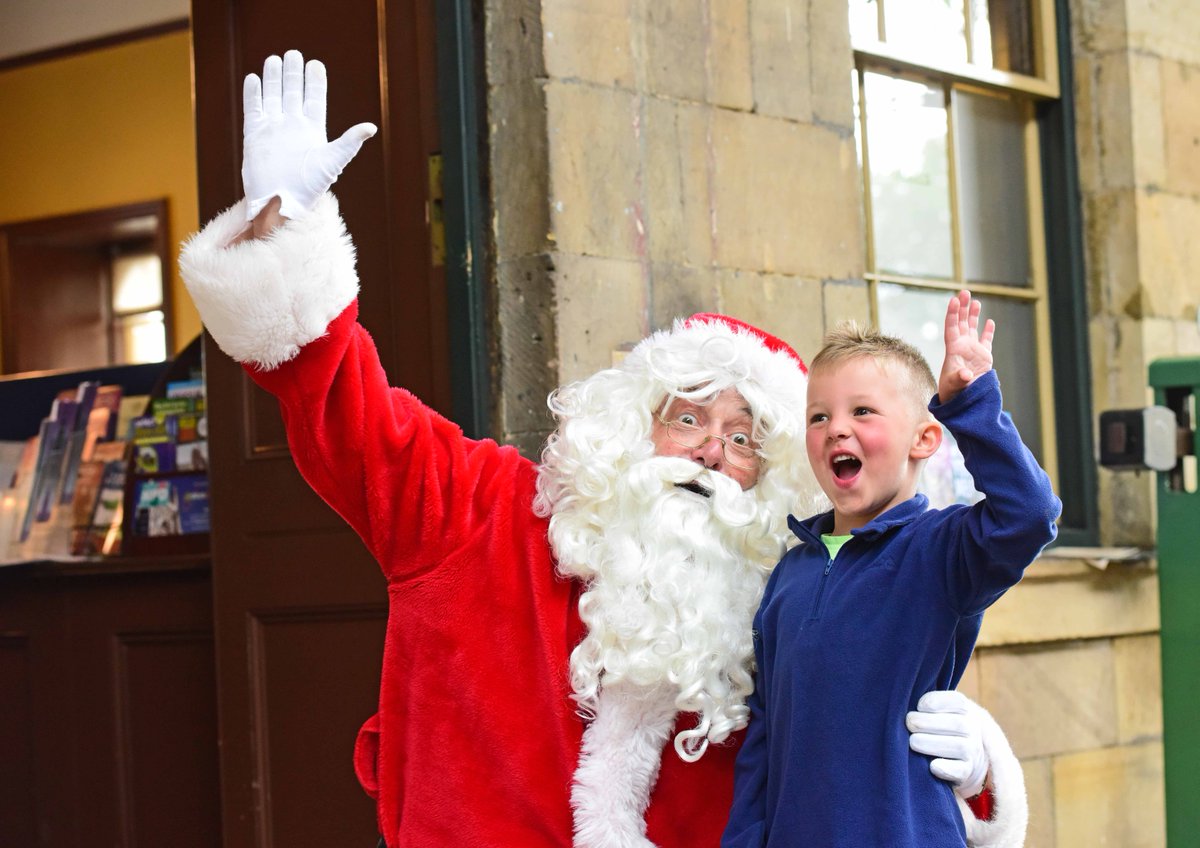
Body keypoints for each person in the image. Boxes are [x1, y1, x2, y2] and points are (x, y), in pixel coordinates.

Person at [180, 50, 1029, 848]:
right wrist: (282, 229)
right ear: (632, 423)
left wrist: (979, 768)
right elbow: (346, 414)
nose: (709, 453)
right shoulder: (480, 513)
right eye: (688, 418)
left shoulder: (784, 600)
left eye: (744, 439)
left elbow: (856, 756)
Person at [723, 299, 1061, 847]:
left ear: (924, 440)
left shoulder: (941, 550)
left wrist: (968, 403)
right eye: (819, 416)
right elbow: (764, 734)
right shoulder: (789, 573)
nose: (837, 429)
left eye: (863, 412)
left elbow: (1029, 514)